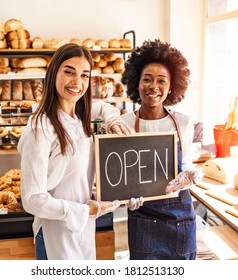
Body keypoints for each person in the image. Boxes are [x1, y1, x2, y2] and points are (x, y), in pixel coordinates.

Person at [18, 43, 122, 260]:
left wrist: (112, 119)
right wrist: (86, 211)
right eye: (69, 72)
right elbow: (32, 199)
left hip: (83, 230)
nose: (77, 82)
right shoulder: (40, 128)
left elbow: (103, 107)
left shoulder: (79, 118)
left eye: (85, 75)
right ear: (54, 73)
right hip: (54, 234)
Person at [120, 39, 202, 260]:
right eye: (147, 79)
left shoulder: (183, 122)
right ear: (136, 83)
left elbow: (186, 164)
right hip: (142, 218)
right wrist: (126, 195)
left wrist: (192, 175)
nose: (153, 86)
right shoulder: (124, 123)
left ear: (171, 86)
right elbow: (121, 173)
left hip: (180, 218)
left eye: (161, 81)